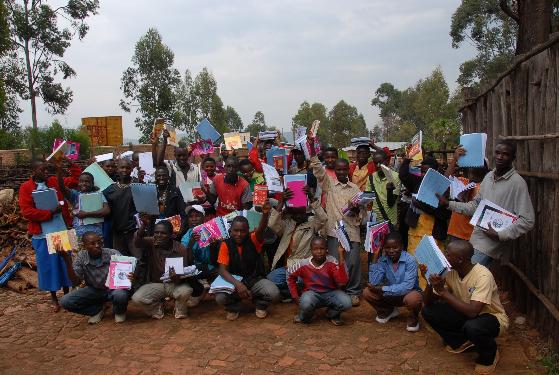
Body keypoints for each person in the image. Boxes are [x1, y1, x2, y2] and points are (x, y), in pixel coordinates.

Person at [438, 141, 535, 265]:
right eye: (498, 153)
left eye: (505, 154)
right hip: (476, 238)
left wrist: (501, 234)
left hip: (490, 245)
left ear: (513, 158)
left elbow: (528, 220)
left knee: (470, 275)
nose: (500, 157)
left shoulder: (517, 183)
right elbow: (475, 206)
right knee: (467, 277)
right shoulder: (489, 177)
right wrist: (448, 204)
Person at [421, 240, 508, 374]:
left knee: (473, 327)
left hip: (491, 318)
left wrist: (443, 292)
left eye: (448, 254)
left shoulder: (483, 275)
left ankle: (488, 356)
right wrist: (429, 281)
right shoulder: (450, 271)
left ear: (460, 259)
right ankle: (463, 341)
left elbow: (473, 312)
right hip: (465, 313)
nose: (444, 257)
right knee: (428, 311)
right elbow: (427, 302)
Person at [308, 136, 365, 306]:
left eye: (344, 170)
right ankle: (336, 289)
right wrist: (311, 147)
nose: (341, 172)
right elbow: (317, 168)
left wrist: (357, 210)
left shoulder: (355, 189)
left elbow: (361, 214)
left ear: (348, 170)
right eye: (338, 170)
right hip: (333, 231)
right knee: (334, 262)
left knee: (353, 262)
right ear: (335, 170)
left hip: (351, 231)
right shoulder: (329, 184)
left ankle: (354, 291)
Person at [19, 159, 72, 312]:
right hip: (41, 233)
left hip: (60, 230)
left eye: (47, 169)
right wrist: (49, 213)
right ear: (33, 171)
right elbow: (26, 211)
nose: (46, 172)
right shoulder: (26, 188)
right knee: (49, 266)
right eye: (42, 170)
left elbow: (73, 181)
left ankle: (67, 296)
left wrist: (66, 167)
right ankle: (54, 298)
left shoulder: (54, 182)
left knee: (64, 262)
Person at [215, 200, 281, 320]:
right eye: (236, 230)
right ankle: (234, 307)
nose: (239, 234)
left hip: (254, 279)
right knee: (220, 297)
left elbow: (261, 229)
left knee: (274, 293)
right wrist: (238, 284)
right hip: (235, 282)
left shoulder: (254, 239)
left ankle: (260, 304)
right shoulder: (225, 244)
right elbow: (222, 270)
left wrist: (265, 214)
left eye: (243, 231)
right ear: (230, 230)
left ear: (248, 230)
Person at [267, 187, 327, 300]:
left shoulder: (312, 224)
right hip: (287, 268)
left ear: (305, 210)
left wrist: (312, 198)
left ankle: (297, 291)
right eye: (295, 213)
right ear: (291, 213)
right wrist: (281, 201)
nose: (298, 216)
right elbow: (272, 225)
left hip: (304, 268)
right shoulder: (288, 224)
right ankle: (296, 292)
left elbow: (323, 218)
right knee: (270, 279)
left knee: (299, 280)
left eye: (300, 212)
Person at [58, 232, 131, 324]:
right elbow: (75, 282)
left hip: (114, 289)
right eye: (92, 243)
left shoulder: (113, 253)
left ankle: (119, 311)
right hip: (95, 290)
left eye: (99, 242)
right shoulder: (81, 256)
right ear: (84, 246)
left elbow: (126, 273)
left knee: (121, 294)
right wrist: (67, 260)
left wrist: (130, 276)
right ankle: (96, 310)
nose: (97, 245)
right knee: (65, 301)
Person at [132, 219, 194, 319]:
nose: (159, 235)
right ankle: (156, 308)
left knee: (186, 291)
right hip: (156, 284)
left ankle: (179, 308)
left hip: (175, 284)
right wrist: (144, 224)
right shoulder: (151, 242)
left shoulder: (181, 249)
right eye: (156, 232)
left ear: (171, 235)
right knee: (137, 298)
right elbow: (137, 242)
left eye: (163, 233)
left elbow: (185, 276)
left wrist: (176, 278)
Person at [362, 232, 422, 332]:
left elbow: (407, 286)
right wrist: (375, 257)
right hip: (390, 294)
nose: (391, 251)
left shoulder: (410, 260)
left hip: (407, 294)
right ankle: (388, 311)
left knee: (414, 299)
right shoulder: (383, 260)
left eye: (395, 247)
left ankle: (413, 317)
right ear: (384, 248)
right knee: (367, 292)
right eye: (388, 248)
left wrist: (383, 288)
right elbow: (373, 282)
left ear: (402, 247)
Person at [287, 237, 352, 325]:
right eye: (315, 249)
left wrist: (341, 255)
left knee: (347, 303)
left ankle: (331, 314)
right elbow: (289, 275)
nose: (319, 252)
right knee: (305, 303)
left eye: (322, 248)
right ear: (311, 250)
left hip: (330, 293)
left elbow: (342, 281)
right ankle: (304, 316)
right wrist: (295, 295)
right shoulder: (303, 264)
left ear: (327, 250)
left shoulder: (332, 262)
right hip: (311, 294)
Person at [399, 154, 450, 263]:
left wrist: (422, 206)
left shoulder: (444, 188)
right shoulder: (417, 182)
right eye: (422, 172)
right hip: (415, 233)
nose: (423, 175)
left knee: (431, 265)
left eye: (426, 172)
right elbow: (403, 176)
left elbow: (446, 213)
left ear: (435, 172)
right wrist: (406, 161)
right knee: (413, 263)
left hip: (434, 235)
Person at [55, 159, 110, 241]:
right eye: (81, 181)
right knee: (79, 253)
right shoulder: (75, 195)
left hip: (96, 235)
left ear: (92, 183)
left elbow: (106, 211)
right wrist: (59, 170)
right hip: (78, 234)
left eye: (87, 181)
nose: (83, 183)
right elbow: (62, 188)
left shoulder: (99, 195)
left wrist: (87, 214)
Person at [444, 147, 488, 242]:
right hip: (455, 232)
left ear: (485, 169)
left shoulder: (486, 187)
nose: (474, 167)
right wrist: (455, 159)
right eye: (473, 165)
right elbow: (445, 180)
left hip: (473, 236)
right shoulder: (463, 182)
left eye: (479, 165)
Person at [103, 158, 142, 260]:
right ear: (117, 169)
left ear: (131, 169)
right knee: (121, 263)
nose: (124, 170)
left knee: (139, 261)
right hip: (117, 233)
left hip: (134, 232)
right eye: (122, 167)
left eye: (127, 168)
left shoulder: (138, 185)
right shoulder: (110, 189)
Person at [180, 205, 218, 307]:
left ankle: (213, 287)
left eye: (197, 216)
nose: (194, 219)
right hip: (195, 268)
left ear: (203, 217)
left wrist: (213, 244)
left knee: (222, 273)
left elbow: (216, 259)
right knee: (185, 273)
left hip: (212, 266)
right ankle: (198, 291)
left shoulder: (212, 230)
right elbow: (188, 261)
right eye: (191, 216)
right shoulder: (186, 236)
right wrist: (192, 242)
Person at [365, 150, 401, 227]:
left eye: (381, 162)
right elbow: (368, 200)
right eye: (375, 163)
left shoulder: (395, 177)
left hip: (389, 220)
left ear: (387, 161)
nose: (378, 165)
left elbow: (391, 204)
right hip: (375, 221)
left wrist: (389, 191)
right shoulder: (371, 177)